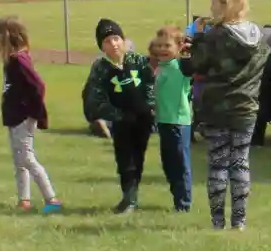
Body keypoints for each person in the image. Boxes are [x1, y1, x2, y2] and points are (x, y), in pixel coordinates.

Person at [181, 0, 268, 231]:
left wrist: (191, 43)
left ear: (222, 5)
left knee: (218, 164)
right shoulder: (259, 36)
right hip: (246, 108)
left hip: (217, 109)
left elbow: (190, 67)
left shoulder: (214, 37)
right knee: (240, 162)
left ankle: (217, 223)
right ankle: (239, 222)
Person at [83, 19, 156, 214]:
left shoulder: (137, 61)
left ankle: (132, 196)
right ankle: (129, 198)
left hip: (143, 119)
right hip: (121, 121)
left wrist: (149, 105)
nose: (113, 44)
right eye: (107, 41)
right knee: (125, 159)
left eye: (116, 38)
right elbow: (95, 97)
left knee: (137, 158)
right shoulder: (101, 68)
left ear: (123, 41)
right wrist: (116, 115)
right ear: (102, 46)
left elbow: (151, 81)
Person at [0, 16, 60, 213]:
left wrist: (36, 111)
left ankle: (52, 199)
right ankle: (24, 199)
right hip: (14, 116)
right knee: (19, 159)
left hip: (23, 116)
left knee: (27, 158)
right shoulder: (12, 60)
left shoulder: (19, 61)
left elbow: (38, 85)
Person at [149, 26, 194, 212]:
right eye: (159, 45)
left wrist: (188, 47)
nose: (162, 49)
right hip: (164, 122)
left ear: (178, 48)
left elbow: (192, 60)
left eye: (167, 45)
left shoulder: (181, 68)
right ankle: (177, 198)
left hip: (178, 123)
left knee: (180, 164)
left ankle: (183, 204)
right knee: (168, 164)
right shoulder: (159, 68)